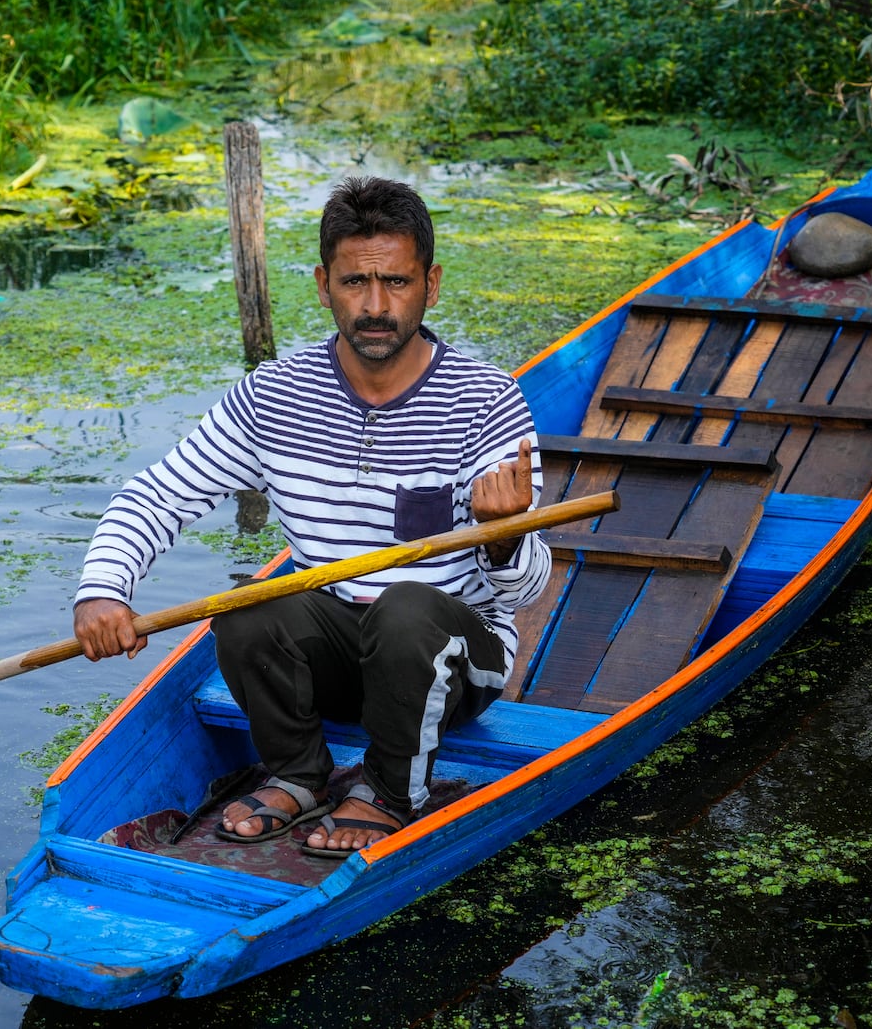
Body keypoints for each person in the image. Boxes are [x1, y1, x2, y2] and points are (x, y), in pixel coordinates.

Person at [72, 176, 552, 857]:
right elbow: (158, 495)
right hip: (334, 652)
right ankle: (300, 771)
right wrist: (101, 588)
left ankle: (389, 791)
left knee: (406, 608)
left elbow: (528, 588)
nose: (377, 306)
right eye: (356, 283)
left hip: (447, 661)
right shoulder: (275, 394)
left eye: (397, 281)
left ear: (432, 285)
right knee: (245, 606)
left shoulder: (485, 402)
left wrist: (505, 539)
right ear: (324, 285)